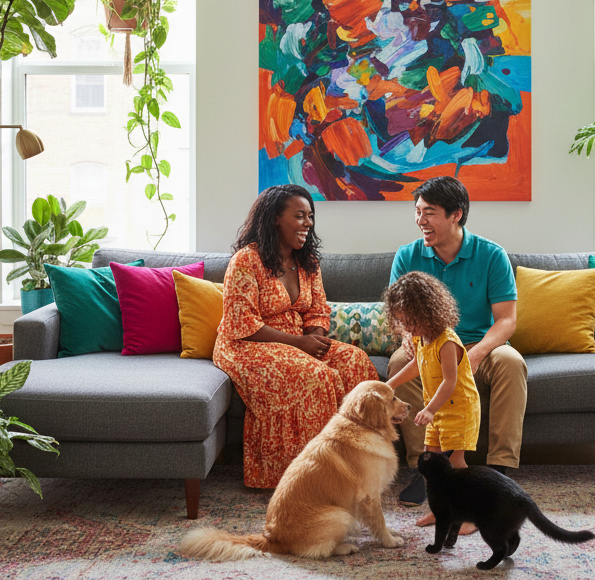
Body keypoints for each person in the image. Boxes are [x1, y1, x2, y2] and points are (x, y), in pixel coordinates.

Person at [213, 184, 379, 489]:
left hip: (296, 341)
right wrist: (299, 345)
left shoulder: (307, 262)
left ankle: (358, 466)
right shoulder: (246, 261)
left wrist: (313, 340)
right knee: (315, 376)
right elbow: (242, 322)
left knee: (355, 360)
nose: (308, 223)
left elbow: (317, 310)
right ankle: (311, 478)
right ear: (276, 218)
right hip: (248, 343)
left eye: (310, 216)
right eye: (300, 215)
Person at [387, 176, 526, 521]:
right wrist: (408, 334)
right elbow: (399, 312)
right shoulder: (408, 255)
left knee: (511, 362)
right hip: (428, 344)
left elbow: (507, 321)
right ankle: (427, 470)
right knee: (396, 364)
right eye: (418, 212)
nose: (421, 221)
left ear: (455, 215)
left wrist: (476, 353)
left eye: (429, 213)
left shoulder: (491, 255)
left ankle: (499, 472)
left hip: (481, 344)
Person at [385, 272, 482, 534]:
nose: (408, 328)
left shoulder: (447, 342)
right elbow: (417, 365)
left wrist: (428, 409)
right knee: (431, 464)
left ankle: (472, 517)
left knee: (456, 466)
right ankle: (441, 511)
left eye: (411, 321)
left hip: (459, 411)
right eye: (403, 322)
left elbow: (450, 381)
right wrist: (391, 384)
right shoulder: (421, 338)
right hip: (438, 411)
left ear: (428, 312)